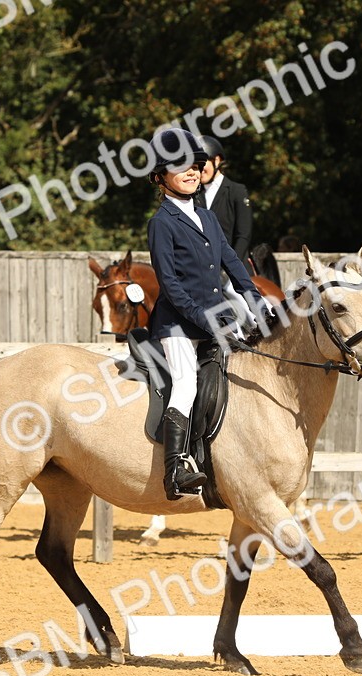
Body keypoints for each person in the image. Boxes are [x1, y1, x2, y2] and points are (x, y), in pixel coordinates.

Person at [146, 128, 270, 500]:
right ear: (160, 177)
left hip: (214, 320)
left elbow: (233, 263)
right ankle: (175, 470)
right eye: (180, 166)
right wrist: (207, 320)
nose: (191, 171)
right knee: (186, 384)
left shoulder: (208, 218)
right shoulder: (162, 222)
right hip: (177, 325)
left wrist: (256, 302)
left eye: (196, 166)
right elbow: (170, 284)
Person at [195, 135, 253, 263]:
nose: (199, 169)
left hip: (233, 265)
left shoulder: (237, 191)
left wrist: (231, 265)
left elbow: (243, 236)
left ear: (216, 161)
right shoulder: (193, 195)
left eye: (202, 163)